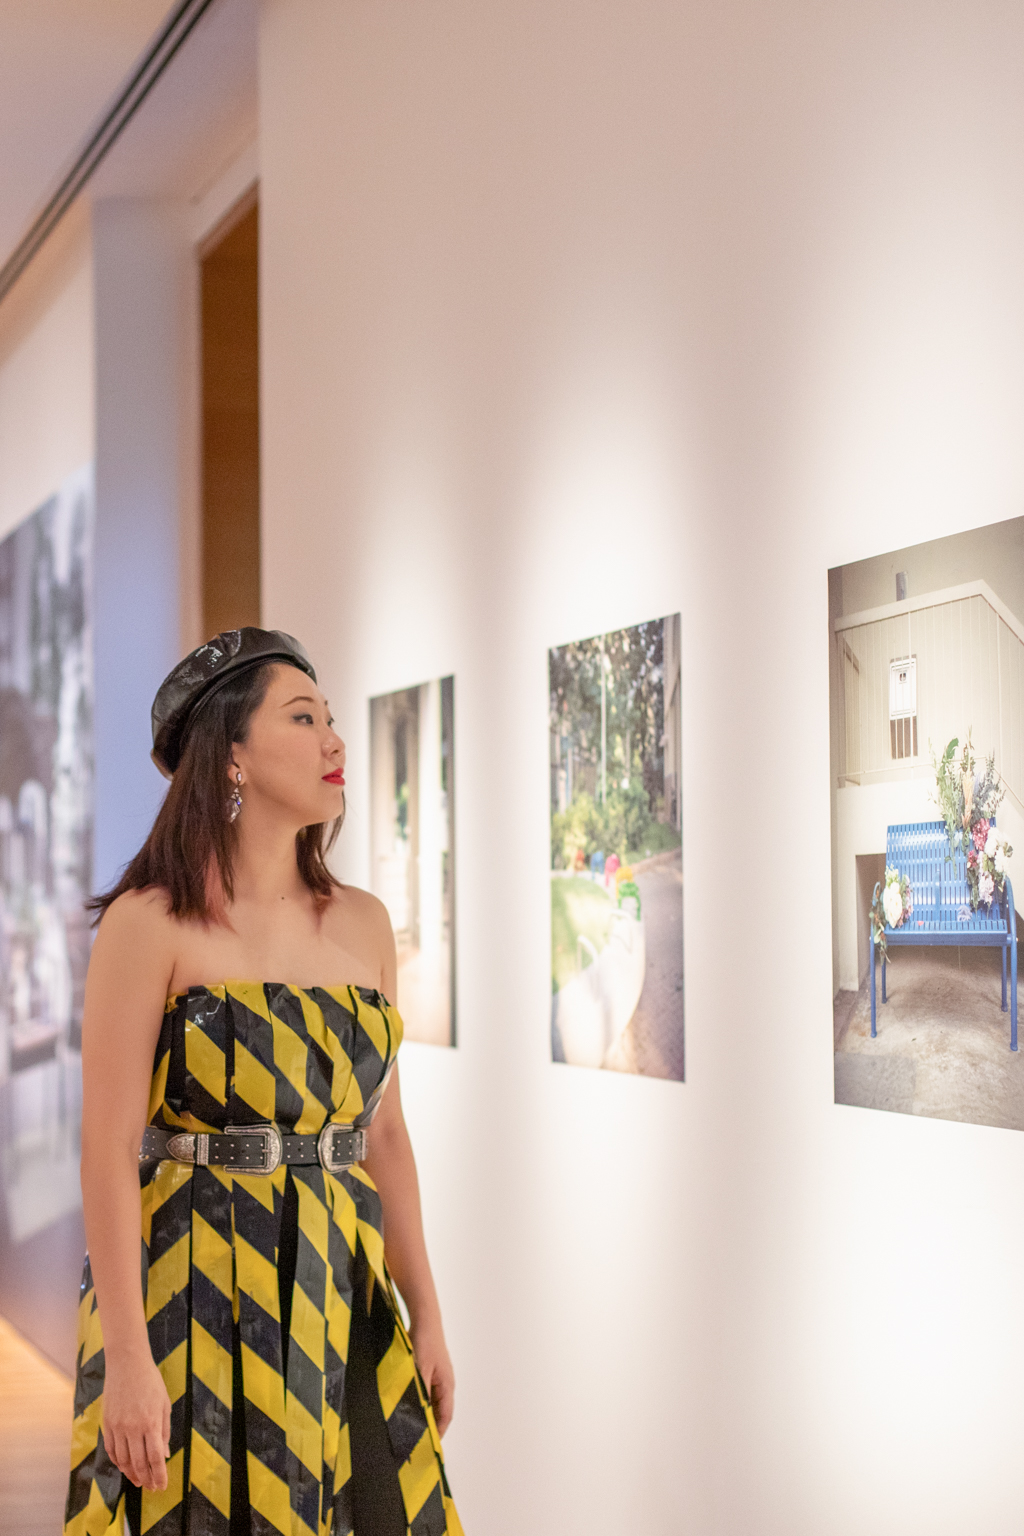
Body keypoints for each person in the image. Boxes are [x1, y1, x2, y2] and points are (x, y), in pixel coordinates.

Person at [64, 629, 463, 1536]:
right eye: (303, 718)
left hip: (339, 1285)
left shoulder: (364, 923)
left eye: (330, 719)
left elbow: (384, 1135)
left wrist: (427, 1313)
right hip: (191, 1288)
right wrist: (127, 1353)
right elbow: (107, 1147)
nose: (334, 740)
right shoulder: (149, 922)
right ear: (232, 754)